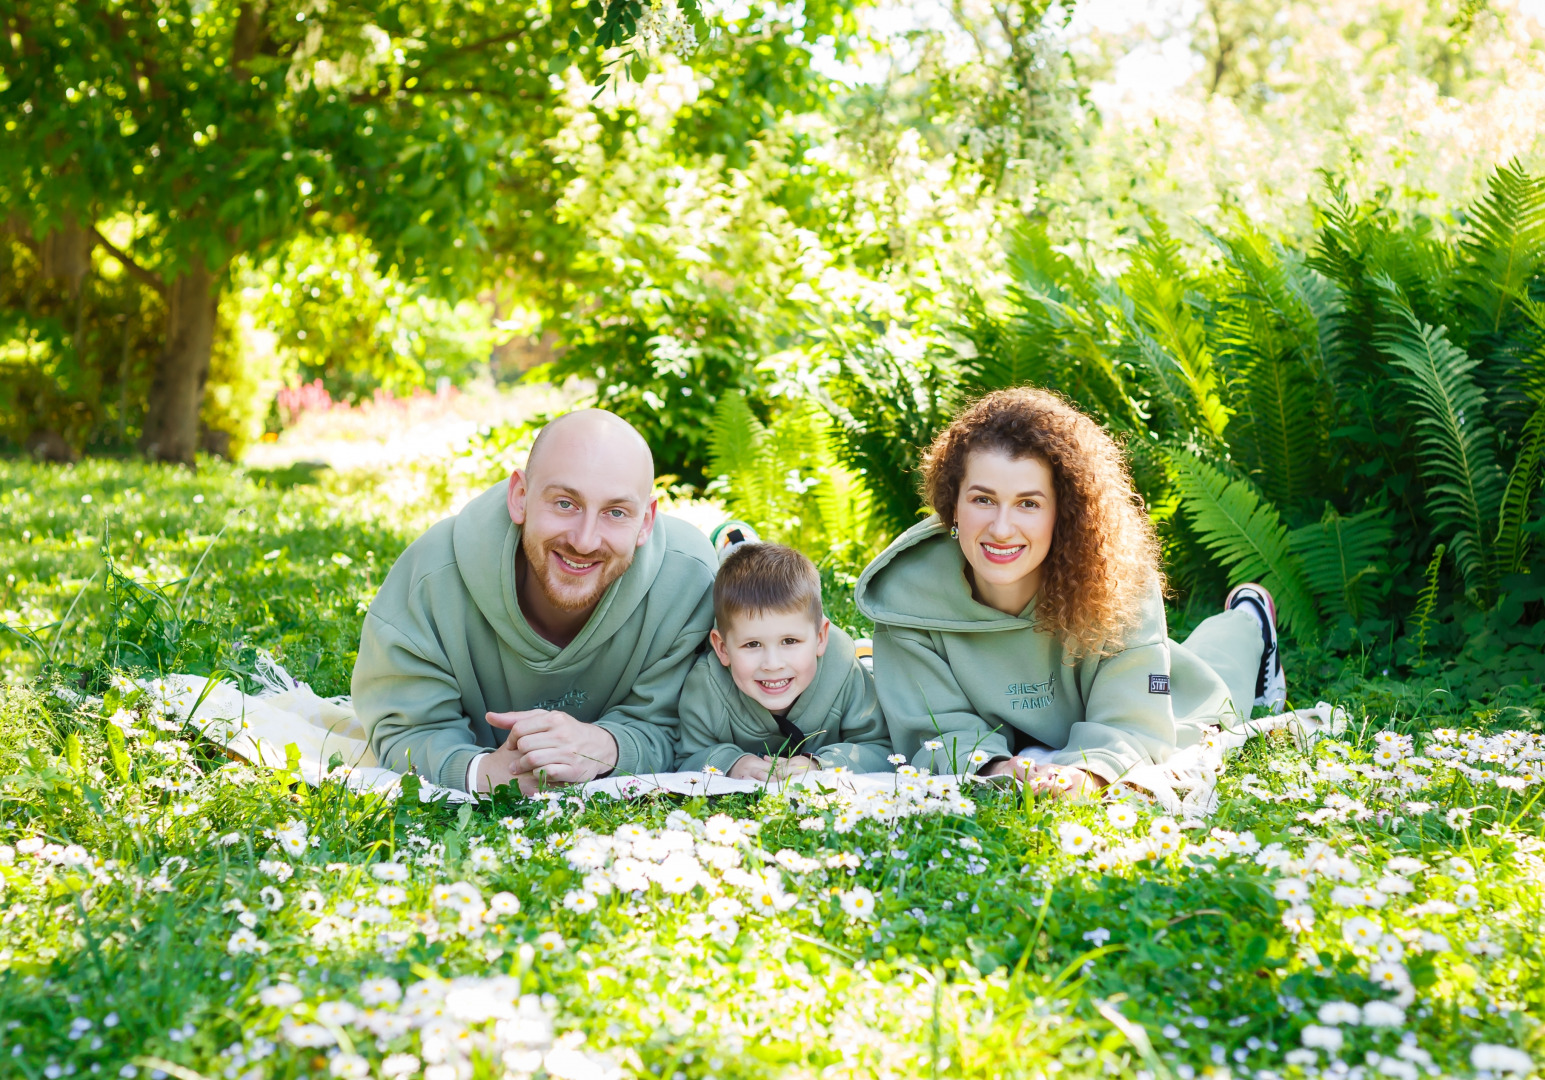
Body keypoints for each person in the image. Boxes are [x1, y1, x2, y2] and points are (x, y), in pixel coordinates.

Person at [854, 387, 1285, 797]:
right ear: (952, 505)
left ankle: (1250, 619)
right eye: (983, 500)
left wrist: (1087, 774)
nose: (1002, 529)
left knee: (1214, 676)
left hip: (1147, 690)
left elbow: (1135, 717)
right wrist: (995, 768)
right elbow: (932, 731)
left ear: (1064, 513)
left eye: (1029, 503)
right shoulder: (905, 599)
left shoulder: (1116, 580)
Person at [352, 409, 717, 794]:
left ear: (646, 520)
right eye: (565, 504)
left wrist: (606, 747)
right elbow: (405, 726)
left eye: (615, 512)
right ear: (520, 497)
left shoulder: (689, 582)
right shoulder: (430, 576)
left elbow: (681, 727)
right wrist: (483, 772)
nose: (585, 540)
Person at [676, 543, 893, 780]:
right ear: (722, 648)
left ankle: (865, 656)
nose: (773, 664)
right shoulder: (706, 686)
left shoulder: (843, 672)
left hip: (855, 664)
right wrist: (731, 763)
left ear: (820, 638)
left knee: (872, 673)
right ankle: (735, 541)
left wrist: (821, 765)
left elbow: (881, 749)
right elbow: (686, 758)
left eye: (789, 641)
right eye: (752, 644)